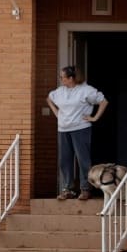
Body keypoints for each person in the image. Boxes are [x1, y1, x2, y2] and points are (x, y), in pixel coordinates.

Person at [46, 65, 107, 201]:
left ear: (71, 78)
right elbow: (49, 99)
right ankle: (68, 189)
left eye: (62, 77)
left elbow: (103, 101)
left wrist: (94, 118)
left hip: (81, 128)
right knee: (64, 160)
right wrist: (57, 114)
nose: (61, 79)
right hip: (63, 130)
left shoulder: (86, 90)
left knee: (83, 160)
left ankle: (85, 189)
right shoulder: (60, 91)